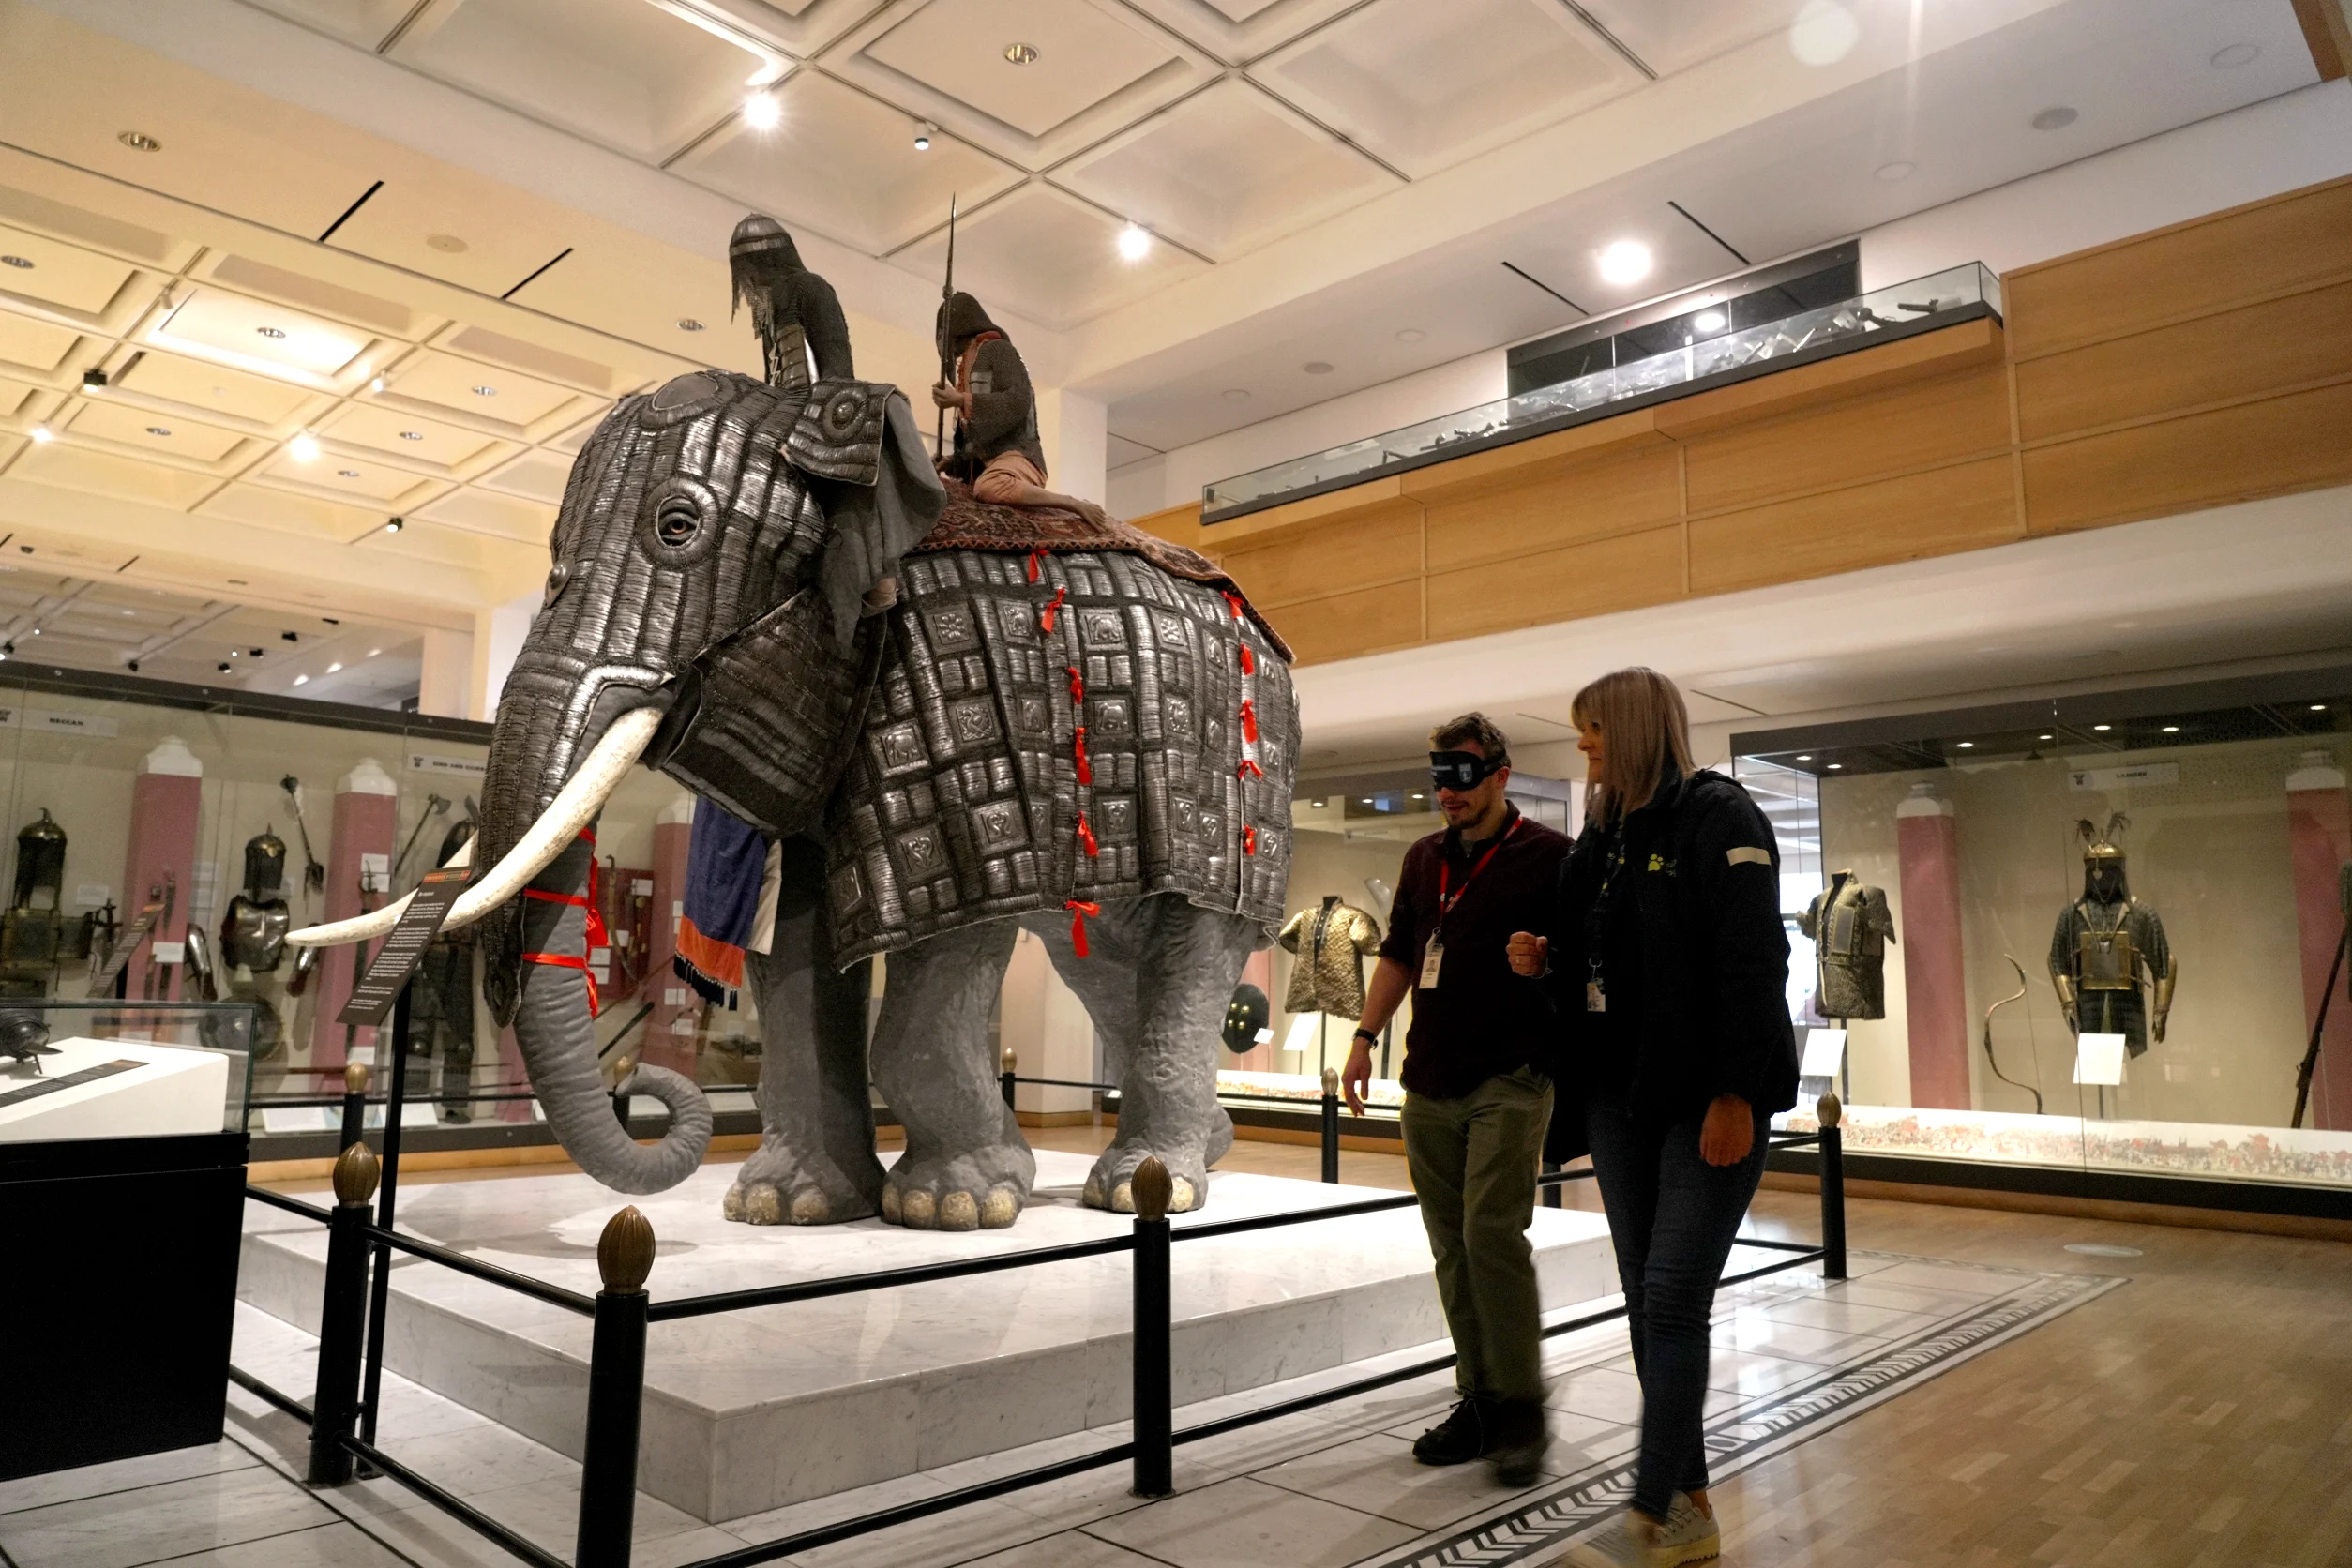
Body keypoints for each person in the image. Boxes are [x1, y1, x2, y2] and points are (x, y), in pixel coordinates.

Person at [1505, 668, 1798, 1568]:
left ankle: (1647, 1505)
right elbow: (1618, 969)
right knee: (1647, 1302)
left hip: (1704, 1102)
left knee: (1673, 1296)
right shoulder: (1600, 842)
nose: (1584, 745)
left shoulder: (1721, 817)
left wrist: (1738, 1094)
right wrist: (1547, 957)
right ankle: (1688, 1505)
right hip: (1620, 1103)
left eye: (1592, 729)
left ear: (1631, 728)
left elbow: (1752, 962)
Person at [1341, 714, 1572, 1485]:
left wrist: (1545, 959)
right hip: (1428, 1079)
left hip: (1510, 1076)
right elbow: (1402, 953)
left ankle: (1522, 1410)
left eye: (1464, 777)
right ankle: (1478, 1400)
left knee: (1490, 1236)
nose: (1449, 792)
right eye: (1440, 777)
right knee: (1450, 1247)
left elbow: (1588, 963)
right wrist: (1364, 1038)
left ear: (1501, 775)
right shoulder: (1422, 860)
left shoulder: (1550, 858)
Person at [930, 292, 1108, 523]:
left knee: (989, 487)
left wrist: (961, 401)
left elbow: (1017, 401)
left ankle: (1070, 503)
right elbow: (977, 441)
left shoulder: (999, 351)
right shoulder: (969, 364)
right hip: (986, 467)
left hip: (1016, 458)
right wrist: (953, 462)